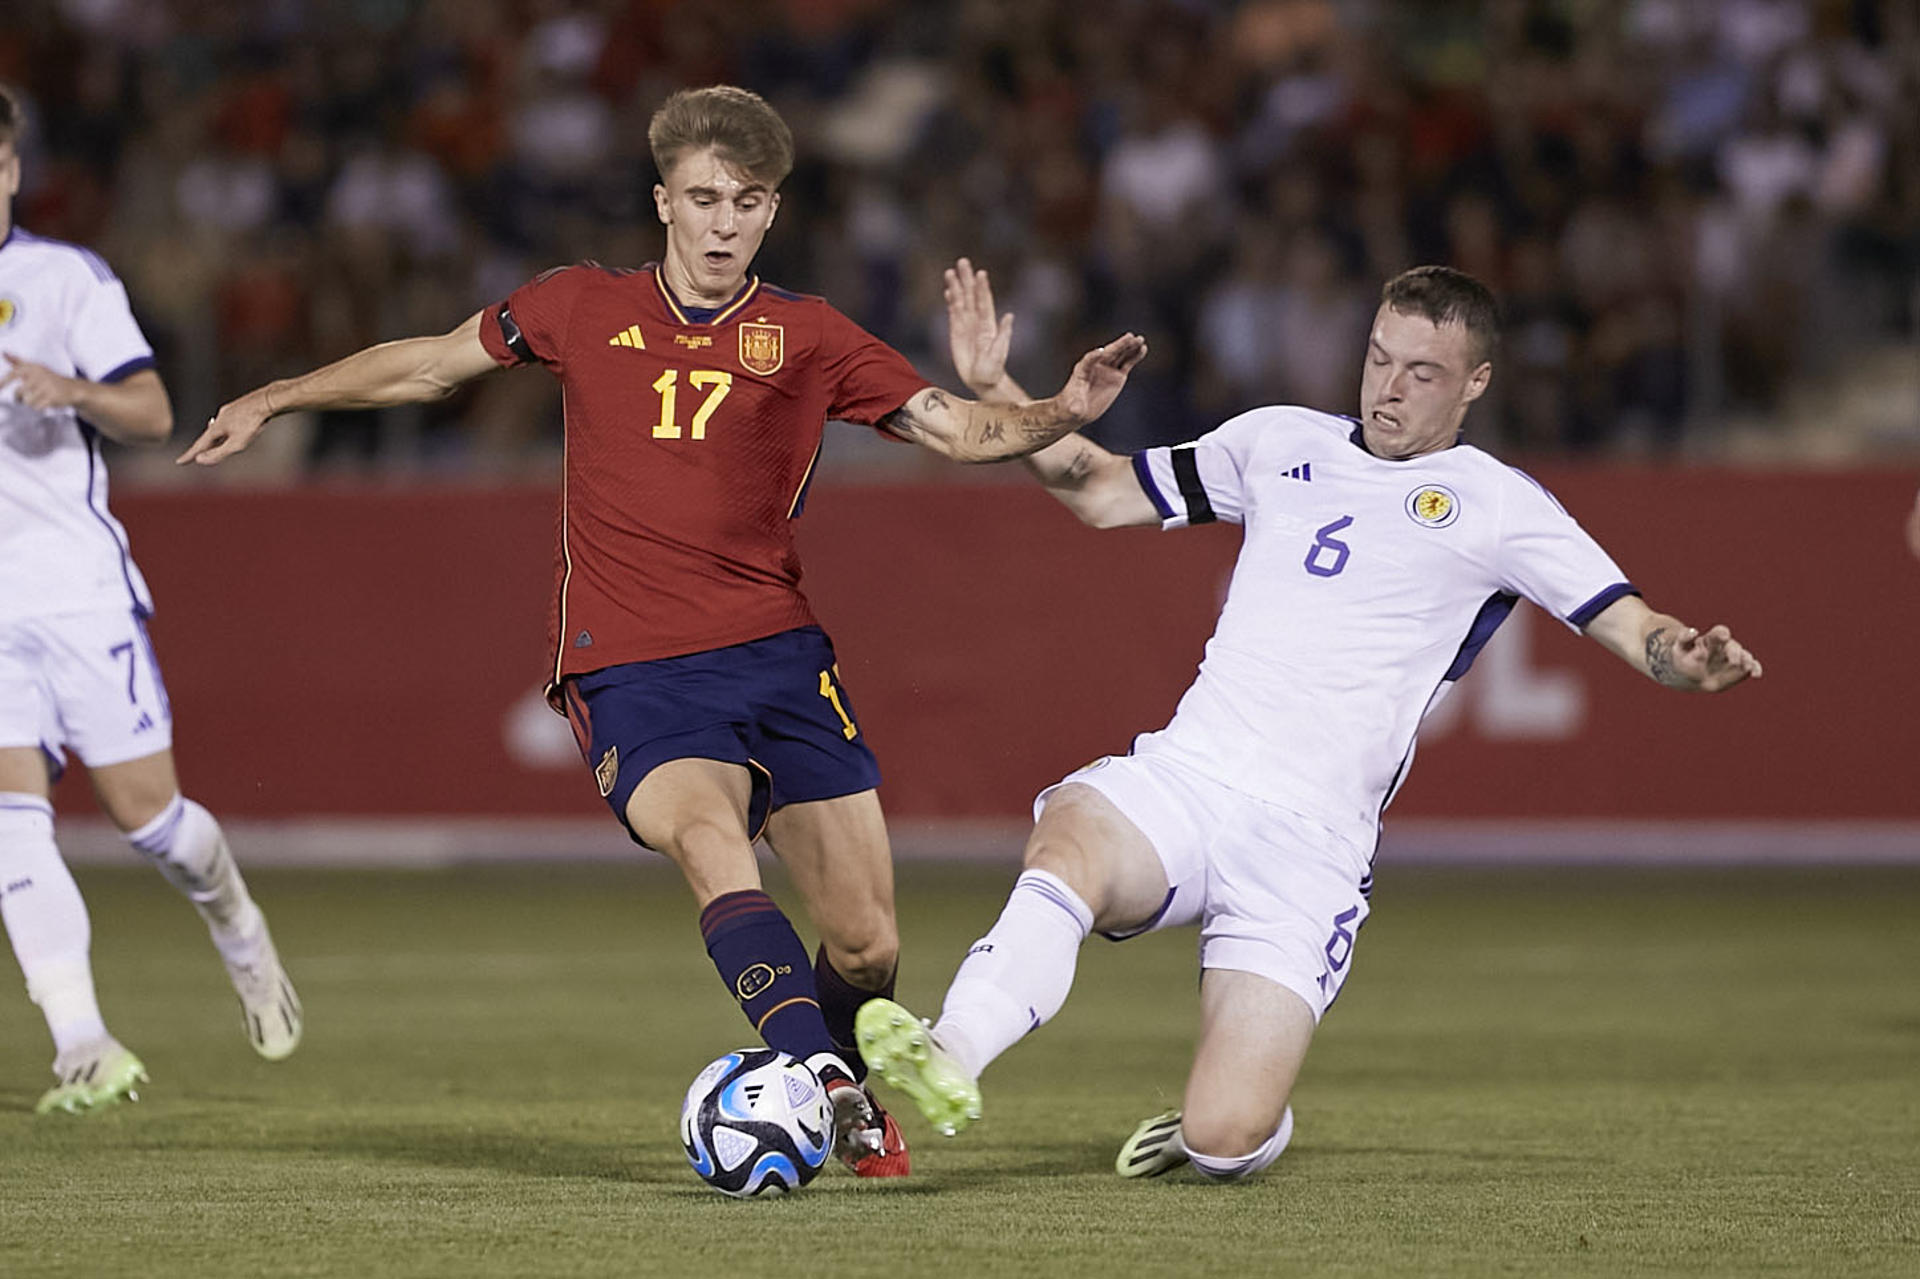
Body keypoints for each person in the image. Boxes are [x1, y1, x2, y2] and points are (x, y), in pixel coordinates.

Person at [178, 86, 1144, 1177]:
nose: (724, 223)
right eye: (703, 199)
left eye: (747, 202)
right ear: (663, 203)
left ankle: (838, 1073)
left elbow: (958, 431)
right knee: (709, 837)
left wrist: (1060, 409)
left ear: (771, 213)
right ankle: (824, 1080)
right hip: (629, 660)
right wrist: (278, 394)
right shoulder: (579, 306)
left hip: (779, 655)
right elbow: (429, 364)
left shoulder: (813, 336)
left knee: (868, 941)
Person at [855, 259, 1762, 1181]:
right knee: (1070, 841)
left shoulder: (1499, 505)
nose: (1388, 387)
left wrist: (1688, 658)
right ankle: (951, 1048)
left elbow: (1635, 626)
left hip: (1310, 845)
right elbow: (1099, 488)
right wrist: (999, 391)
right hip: (1190, 777)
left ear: (1476, 383)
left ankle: (1246, 1128)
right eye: (1378, 357)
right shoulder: (1277, 440)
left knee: (1222, 1136)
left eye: (1422, 372)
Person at [0, 86, 303, 1115]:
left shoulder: (64, 280)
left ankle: (236, 924)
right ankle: (83, 1046)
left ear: (9, 171)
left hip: (73, 587)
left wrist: (69, 389)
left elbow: (153, 406)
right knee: (9, 815)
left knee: (152, 821)